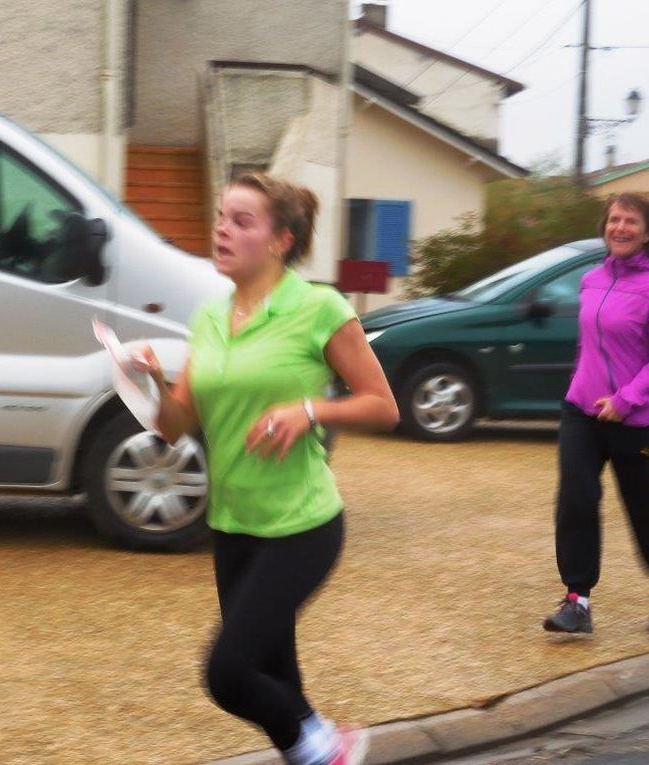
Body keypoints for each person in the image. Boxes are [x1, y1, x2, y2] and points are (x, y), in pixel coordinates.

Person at [135, 172, 398, 765]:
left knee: (229, 674)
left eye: (241, 221)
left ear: (280, 240)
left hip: (302, 526)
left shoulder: (317, 308)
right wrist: (149, 380)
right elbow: (175, 426)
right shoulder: (208, 317)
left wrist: (310, 410)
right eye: (221, 218)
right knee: (282, 685)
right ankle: (321, 744)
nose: (222, 230)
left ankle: (329, 744)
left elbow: (383, 407)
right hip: (233, 526)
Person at [543, 192, 649, 635]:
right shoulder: (592, 280)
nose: (620, 228)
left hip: (636, 420)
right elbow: (592, 345)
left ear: (647, 234)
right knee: (576, 500)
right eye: (614, 220)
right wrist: (585, 388)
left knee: (641, 505)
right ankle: (577, 601)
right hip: (582, 412)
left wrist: (624, 400)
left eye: (631, 222)